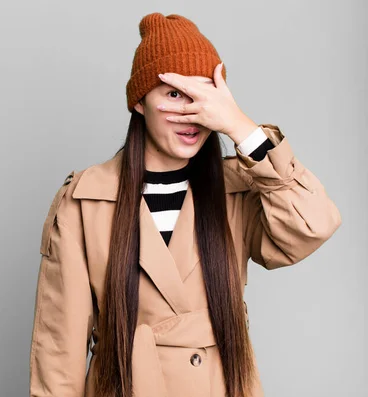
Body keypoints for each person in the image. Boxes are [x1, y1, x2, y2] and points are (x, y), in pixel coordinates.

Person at [29, 12, 342, 397]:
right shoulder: (86, 201)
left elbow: (314, 225)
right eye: (174, 94)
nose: (190, 112)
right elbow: (58, 354)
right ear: (140, 102)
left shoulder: (239, 191)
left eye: (203, 95)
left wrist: (241, 126)